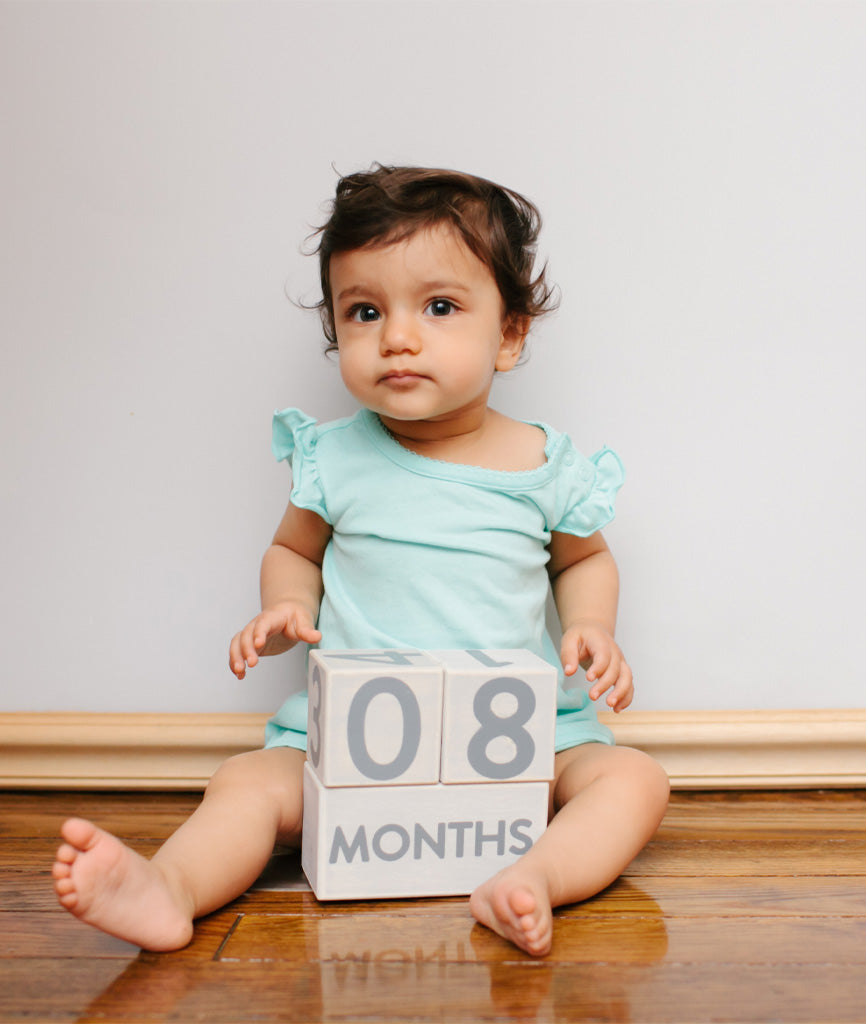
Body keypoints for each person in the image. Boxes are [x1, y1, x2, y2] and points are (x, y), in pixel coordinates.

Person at [52, 165, 670, 958]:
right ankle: (169, 887)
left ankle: (534, 877)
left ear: (509, 335)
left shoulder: (539, 464)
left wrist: (592, 626)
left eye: (439, 307)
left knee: (633, 782)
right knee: (249, 784)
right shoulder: (336, 458)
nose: (398, 337)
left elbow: (584, 560)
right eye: (365, 311)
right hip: (356, 738)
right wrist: (287, 605)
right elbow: (291, 549)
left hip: (517, 738)